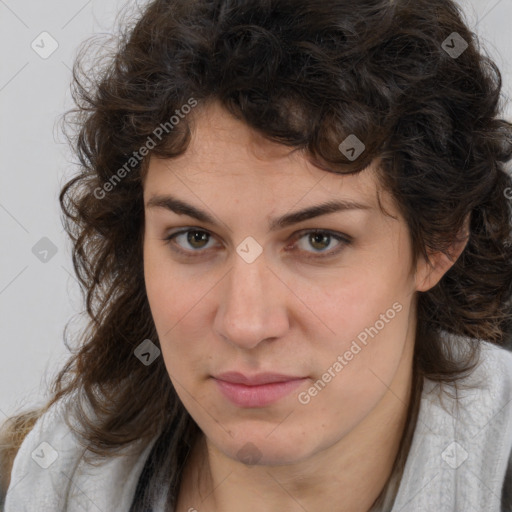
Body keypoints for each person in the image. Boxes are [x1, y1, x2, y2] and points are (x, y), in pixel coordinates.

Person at [1, 0, 512, 510]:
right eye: (194, 238)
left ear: (439, 242)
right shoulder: (37, 481)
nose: (245, 323)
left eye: (319, 240)